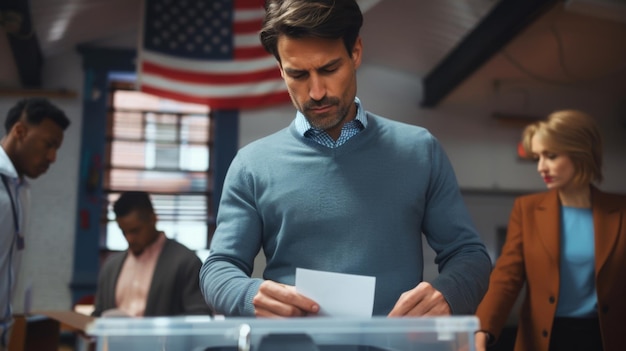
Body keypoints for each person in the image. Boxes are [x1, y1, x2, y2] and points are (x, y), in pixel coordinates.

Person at [199, 0, 491, 318]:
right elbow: (218, 268)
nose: (316, 92)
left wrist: (449, 293)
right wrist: (247, 295)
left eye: (329, 69)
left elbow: (469, 254)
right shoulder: (251, 165)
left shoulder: (420, 150)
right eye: (298, 74)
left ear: (355, 52)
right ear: (280, 70)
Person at [475, 110, 626, 351]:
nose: (541, 167)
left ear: (581, 153)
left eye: (551, 156)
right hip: (543, 340)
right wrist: (482, 328)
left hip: (605, 339)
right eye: (538, 157)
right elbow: (507, 276)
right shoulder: (527, 209)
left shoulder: (621, 211)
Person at [0, 98, 70, 350]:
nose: (52, 157)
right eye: (48, 144)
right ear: (20, 131)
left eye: (57, 149)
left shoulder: (21, 191)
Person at [92, 191, 211, 317]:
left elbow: (199, 316)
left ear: (153, 219)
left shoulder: (186, 262)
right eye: (124, 232)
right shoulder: (111, 266)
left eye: (135, 231)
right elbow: (99, 314)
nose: (129, 239)